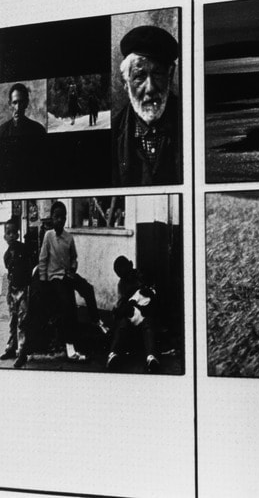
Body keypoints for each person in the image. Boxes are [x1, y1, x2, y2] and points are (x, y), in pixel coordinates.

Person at [111, 25, 182, 187]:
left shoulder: (189, 122)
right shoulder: (114, 134)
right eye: (140, 76)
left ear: (170, 76)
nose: (150, 88)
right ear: (125, 82)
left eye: (157, 74)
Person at [38, 201, 105, 363]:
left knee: (87, 288)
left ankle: (96, 320)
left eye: (63, 217)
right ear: (52, 218)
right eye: (57, 217)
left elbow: (74, 258)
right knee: (68, 306)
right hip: (55, 278)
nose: (60, 220)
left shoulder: (69, 238)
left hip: (68, 275)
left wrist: (73, 269)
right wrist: (43, 282)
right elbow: (43, 260)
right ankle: (70, 348)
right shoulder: (48, 236)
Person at [105, 256, 160, 373]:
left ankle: (151, 357)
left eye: (127, 273)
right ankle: (112, 354)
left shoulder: (142, 276)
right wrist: (124, 307)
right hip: (131, 314)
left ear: (131, 265)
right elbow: (120, 304)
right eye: (122, 276)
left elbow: (154, 295)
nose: (127, 277)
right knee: (122, 324)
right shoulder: (122, 284)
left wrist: (148, 303)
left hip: (146, 312)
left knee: (148, 324)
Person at [0, 83, 49, 192]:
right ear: (9, 104)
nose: (17, 108)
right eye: (14, 102)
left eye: (21, 102)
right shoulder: (2, 131)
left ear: (26, 103)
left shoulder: (38, 130)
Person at [3, 219, 35, 368]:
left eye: (13, 232)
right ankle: (11, 348)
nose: (11, 235)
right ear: (4, 236)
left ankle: (22, 353)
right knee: (13, 320)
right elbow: (9, 273)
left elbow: (30, 267)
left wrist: (29, 286)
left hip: (24, 289)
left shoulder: (24, 249)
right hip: (13, 289)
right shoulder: (6, 255)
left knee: (22, 321)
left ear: (18, 234)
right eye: (8, 233)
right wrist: (8, 292)